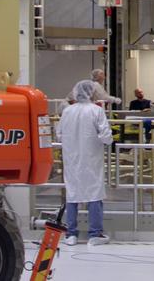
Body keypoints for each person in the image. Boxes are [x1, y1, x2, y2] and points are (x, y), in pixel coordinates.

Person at [58, 79, 114, 246]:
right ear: (92, 93)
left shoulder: (67, 111)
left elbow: (59, 134)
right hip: (91, 159)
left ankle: (71, 234)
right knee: (94, 194)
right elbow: (106, 136)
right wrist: (109, 141)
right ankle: (95, 234)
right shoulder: (96, 111)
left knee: (72, 194)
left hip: (72, 159)